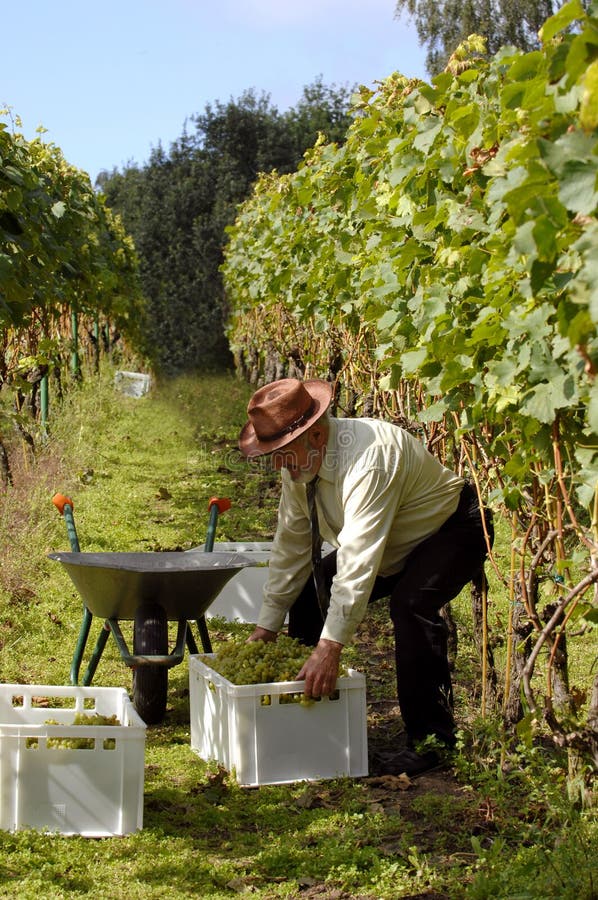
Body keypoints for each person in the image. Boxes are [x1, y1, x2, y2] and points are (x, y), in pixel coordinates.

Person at [239, 377, 493, 776]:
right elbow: (291, 546)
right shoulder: (299, 465)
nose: (278, 464)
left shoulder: (369, 458)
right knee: (308, 592)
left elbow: (358, 559)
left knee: (411, 606)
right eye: (273, 454)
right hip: (393, 540)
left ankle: (432, 743)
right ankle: (304, 709)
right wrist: (266, 627)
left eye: (282, 452)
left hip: (450, 530)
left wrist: (331, 646)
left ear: (316, 435)